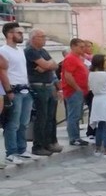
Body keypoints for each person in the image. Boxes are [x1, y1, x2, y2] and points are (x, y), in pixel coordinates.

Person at [1, 23, 35, 164]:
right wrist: (8, 90)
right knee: (12, 123)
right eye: (18, 32)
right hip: (14, 90)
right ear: (10, 34)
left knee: (23, 122)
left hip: (25, 89)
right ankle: (11, 151)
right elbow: (3, 72)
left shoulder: (20, 50)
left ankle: (22, 149)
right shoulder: (3, 51)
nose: (21, 34)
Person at [24, 28, 61, 158]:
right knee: (42, 117)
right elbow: (46, 64)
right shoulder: (30, 51)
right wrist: (47, 65)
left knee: (50, 117)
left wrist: (47, 65)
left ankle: (49, 142)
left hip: (49, 85)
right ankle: (38, 145)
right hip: (39, 86)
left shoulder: (43, 51)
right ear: (33, 38)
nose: (45, 38)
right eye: (42, 36)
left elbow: (54, 65)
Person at [88, 54, 106, 157]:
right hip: (105, 100)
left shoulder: (91, 74)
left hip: (96, 100)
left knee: (99, 126)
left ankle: (97, 148)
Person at [62, 38, 90, 146]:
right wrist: (77, 88)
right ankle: (74, 138)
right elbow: (68, 76)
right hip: (73, 91)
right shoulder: (70, 58)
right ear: (73, 46)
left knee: (77, 114)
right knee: (74, 115)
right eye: (80, 47)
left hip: (79, 90)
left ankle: (76, 136)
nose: (83, 49)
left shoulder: (78, 58)